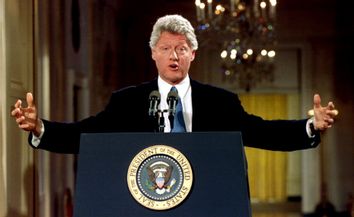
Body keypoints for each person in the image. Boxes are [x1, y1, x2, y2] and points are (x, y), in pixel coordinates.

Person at [11, 14, 337, 154]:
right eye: (166, 48)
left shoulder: (220, 102)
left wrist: (310, 126)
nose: (174, 56)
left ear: (192, 54)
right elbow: (87, 135)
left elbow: (262, 132)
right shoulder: (127, 102)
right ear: (153, 53)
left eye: (181, 49)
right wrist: (41, 128)